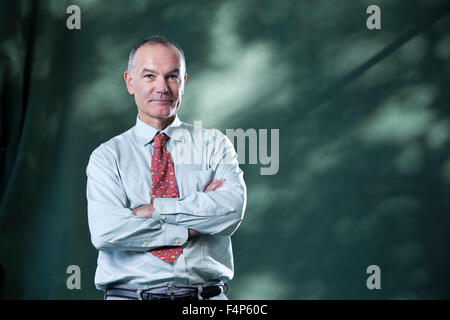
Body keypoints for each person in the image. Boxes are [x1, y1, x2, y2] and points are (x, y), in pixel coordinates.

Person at [86, 36, 247, 300]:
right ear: (130, 81)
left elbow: (230, 212)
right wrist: (192, 226)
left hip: (204, 299)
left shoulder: (214, 145)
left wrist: (153, 210)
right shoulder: (107, 156)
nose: (162, 87)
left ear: (183, 82)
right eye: (149, 76)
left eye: (172, 77)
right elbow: (106, 232)